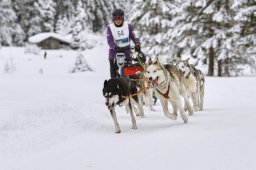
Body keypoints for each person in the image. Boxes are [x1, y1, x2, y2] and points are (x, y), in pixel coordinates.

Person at [107, 9, 141, 78]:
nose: (118, 20)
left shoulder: (128, 26)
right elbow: (110, 41)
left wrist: (137, 44)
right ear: (113, 19)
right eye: (116, 19)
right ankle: (114, 83)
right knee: (113, 75)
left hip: (126, 52)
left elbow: (134, 37)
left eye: (120, 18)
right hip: (114, 53)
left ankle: (126, 85)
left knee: (126, 73)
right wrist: (116, 47)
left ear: (123, 18)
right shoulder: (110, 28)